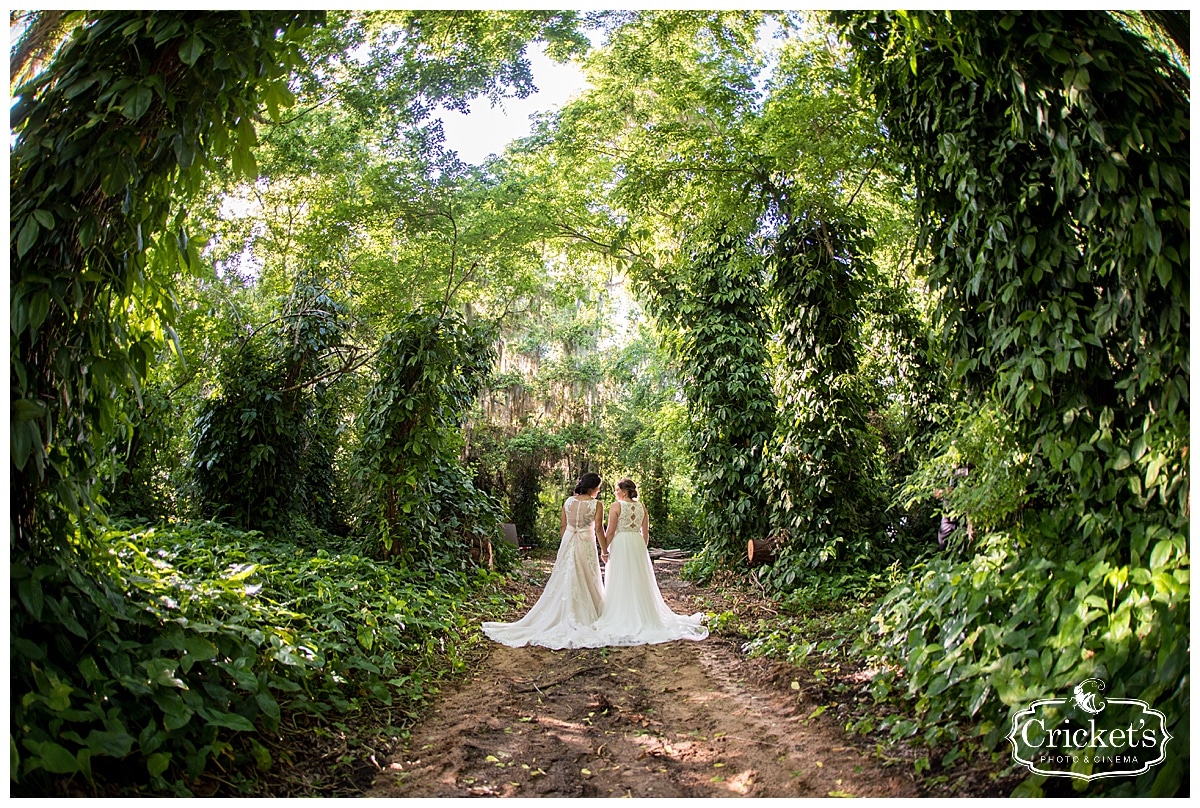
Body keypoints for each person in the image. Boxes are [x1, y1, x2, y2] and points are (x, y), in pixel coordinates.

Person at [482, 473, 605, 649]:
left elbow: (563, 527)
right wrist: (605, 550)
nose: (599, 491)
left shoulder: (569, 502)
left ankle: (563, 610)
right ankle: (589, 613)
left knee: (566, 574)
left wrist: (566, 543)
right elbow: (599, 528)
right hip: (586, 542)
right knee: (587, 575)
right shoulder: (596, 505)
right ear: (593, 487)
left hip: (569, 540)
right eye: (599, 487)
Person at [587, 478, 707, 646]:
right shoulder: (642, 507)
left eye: (617, 490)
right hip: (637, 544)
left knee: (621, 578)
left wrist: (604, 550)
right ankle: (643, 613)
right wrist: (641, 548)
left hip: (621, 544)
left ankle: (622, 614)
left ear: (624, 491)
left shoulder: (616, 506)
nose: (615, 492)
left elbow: (611, 531)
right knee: (638, 578)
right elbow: (646, 533)